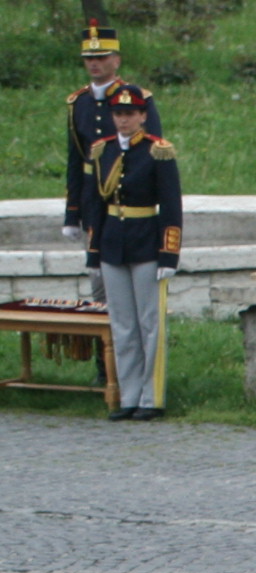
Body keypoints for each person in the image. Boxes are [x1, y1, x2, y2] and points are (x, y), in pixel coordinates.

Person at [76, 83, 176, 422]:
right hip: (112, 245)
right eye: (118, 114)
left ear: (142, 116)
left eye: (130, 114)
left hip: (146, 243)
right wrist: (94, 250)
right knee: (122, 325)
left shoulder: (157, 151)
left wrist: (169, 255)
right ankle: (129, 395)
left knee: (150, 324)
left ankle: (152, 397)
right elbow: (93, 203)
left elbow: (171, 207)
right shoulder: (101, 150)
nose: (123, 120)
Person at [63, 17, 140, 244]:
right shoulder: (79, 102)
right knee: (95, 272)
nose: (94, 63)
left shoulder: (136, 99)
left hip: (127, 197)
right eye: (89, 58)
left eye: (101, 57)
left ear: (116, 61)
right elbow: (76, 159)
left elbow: (148, 151)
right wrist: (72, 213)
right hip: (91, 197)